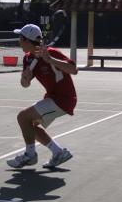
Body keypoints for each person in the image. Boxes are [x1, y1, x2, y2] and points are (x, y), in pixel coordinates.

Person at [7, 24, 78, 169]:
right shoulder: (28, 59)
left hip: (64, 99)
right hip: (51, 98)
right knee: (29, 125)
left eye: (20, 38)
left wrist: (50, 59)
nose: (19, 42)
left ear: (26, 40)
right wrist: (25, 78)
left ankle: (30, 155)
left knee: (22, 117)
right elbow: (25, 85)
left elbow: (73, 70)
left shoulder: (51, 53)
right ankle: (58, 152)